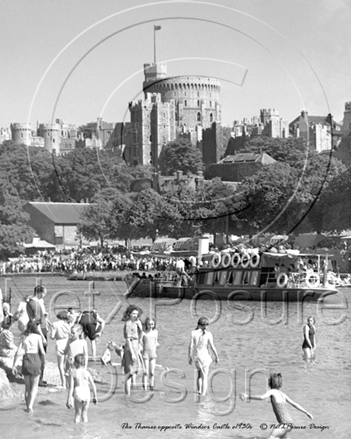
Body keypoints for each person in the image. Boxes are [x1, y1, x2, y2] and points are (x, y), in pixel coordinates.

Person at [241, 372, 313, 439]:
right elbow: (295, 404)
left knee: (271, 437)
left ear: (270, 383)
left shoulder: (272, 391)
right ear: (280, 384)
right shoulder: (283, 394)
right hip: (290, 423)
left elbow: (261, 397)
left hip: (284, 423)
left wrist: (248, 396)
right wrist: (307, 413)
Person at [12, 321, 46, 413]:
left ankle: (28, 407)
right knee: (34, 387)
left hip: (26, 359)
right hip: (35, 359)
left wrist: (14, 365)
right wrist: (43, 363)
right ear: (36, 328)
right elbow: (42, 352)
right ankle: (30, 406)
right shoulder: (38, 337)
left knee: (27, 387)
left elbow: (18, 352)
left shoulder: (23, 337)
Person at [188, 317, 219, 396]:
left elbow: (190, 346)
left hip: (196, 355)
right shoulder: (209, 334)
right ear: (206, 326)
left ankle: (199, 391)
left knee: (199, 375)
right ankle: (203, 394)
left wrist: (189, 357)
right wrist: (216, 357)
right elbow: (212, 347)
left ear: (198, 325)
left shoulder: (193, 333)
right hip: (204, 356)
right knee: (204, 376)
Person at [26, 285, 49, 386]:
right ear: (39, 293)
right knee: (41, 355)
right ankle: (38, 379)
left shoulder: (31, 302)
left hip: (36, 330)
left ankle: (37, 377)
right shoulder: (35, 304)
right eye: (43, 294)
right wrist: (42, 336)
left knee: (38, 354)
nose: (44, 296)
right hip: (39, 331)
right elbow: (37, 322)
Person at [66, 354, 97, 423]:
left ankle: (76, 431)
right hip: (86, 392)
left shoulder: (74, 373)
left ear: (76, 363)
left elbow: (71, 386)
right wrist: (95, 396)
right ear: (83, 363)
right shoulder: (87, 373)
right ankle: (85, 432)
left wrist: (69, 398)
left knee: (77, 415)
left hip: (78, 392)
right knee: (85, 415)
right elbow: (93, 385)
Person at [121, 305, 144, 396]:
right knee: (129, 373)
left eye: (136, 314)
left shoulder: (136, 323)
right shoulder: (128, 323)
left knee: (134, 371)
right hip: (130, 348)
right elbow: (128, 339)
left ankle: (128, 393)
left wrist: (140, 326)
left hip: (136, 346)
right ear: (129, 313)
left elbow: (141, 334)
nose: (135, 315)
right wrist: (132, 353)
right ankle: (127, 395)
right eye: (133, 313)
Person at [50, 311, 71, 388]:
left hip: (59, 343)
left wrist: (51, 329)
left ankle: (63, 384)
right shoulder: (67, 325)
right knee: (66, 365)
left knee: (60, 365)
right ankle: (68, 383)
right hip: (67, 343)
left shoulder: (55, 324)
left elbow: (52, 337)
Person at [142, 317, 159, 391]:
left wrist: (156, 347)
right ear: (146, 324)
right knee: (145, 372)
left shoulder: (155, 332)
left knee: (152, 372)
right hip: (145, 354)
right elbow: (140, 343)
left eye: (152, 324)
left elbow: (156, 342)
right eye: (149, 324)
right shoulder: (143, 333)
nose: (150, 326)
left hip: (153, 354)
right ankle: (145, 388)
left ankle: (151, 386)